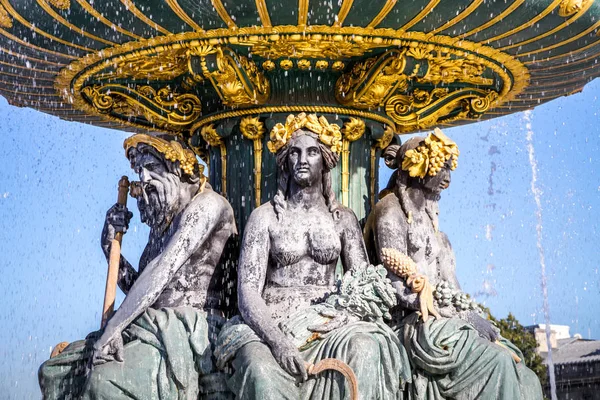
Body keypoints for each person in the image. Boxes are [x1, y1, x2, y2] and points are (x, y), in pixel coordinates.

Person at [215, 113, 410, 400]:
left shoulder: (343, 220)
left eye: (312, 151)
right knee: (260, 371)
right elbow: (247, 292)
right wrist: (278, 341)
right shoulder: (264, 217)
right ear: (285, 161)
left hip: (329, 324)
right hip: (272, 323)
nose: (302, 159)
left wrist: (343, 318)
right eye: (294, 152)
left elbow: (367, 284)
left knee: (367, 346)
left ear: (326, 160)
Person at [39, 134, 237, 399]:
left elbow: (164, 269)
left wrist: (114, 327)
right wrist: (109, 246)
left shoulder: (208, 205)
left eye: (151, 168)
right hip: (151, 323)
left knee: (104, 382)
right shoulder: (163, 224)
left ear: (178, 169)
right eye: (138, 171)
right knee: (55, 372)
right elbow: (142, 289)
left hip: (192, 326)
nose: (143, 179)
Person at [364, 128, 543, 400]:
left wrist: (474, 315)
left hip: (443, 319)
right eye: (442, 168)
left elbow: (454, 290)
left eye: (449, 169)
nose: (447, 177)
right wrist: (461, 317)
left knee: (524, 373)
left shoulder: (438, 233)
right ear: (421, 167)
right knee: (498, 363)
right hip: (415, 322)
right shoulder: (390, 213)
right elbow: (396, 289)